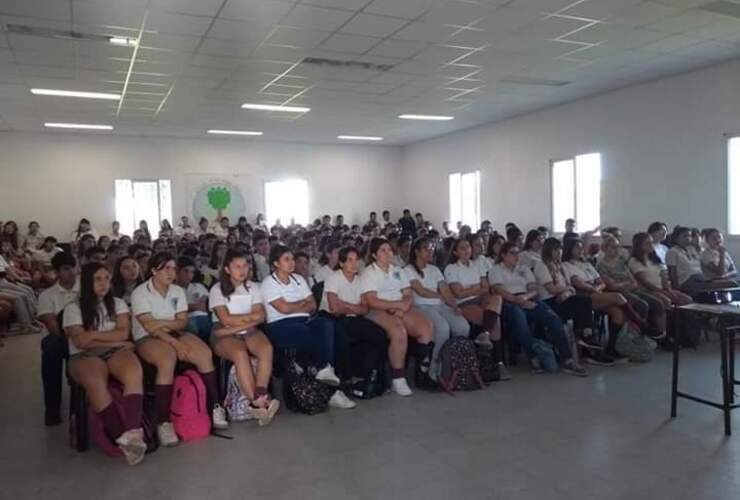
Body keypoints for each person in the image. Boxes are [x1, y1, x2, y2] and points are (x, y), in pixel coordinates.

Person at [131, 252, 228, 447]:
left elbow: (182, 322)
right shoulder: (140, 292)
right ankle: (164, 422)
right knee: (166, 359)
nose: (171, 272)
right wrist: (173, 339)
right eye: (165, 268)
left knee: (204, 354)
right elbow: (148, 327)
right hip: (147, 338)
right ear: (153, 271)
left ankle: (216, 406)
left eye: (173, 268)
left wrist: (162, 324)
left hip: (175, 333)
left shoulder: (177, 291)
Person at [63, 262, 147, 465]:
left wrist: (93, 335)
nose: (103, 284)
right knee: (95, 381)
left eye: (107, 279)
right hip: (84, 356)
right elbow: (81, 342)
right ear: (86, 282)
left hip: (113, 351)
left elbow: (123, 332)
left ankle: (133, 433)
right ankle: (123, 437)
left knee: (134, 371)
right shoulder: (73, 308)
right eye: (97, 279)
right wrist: (116, 340)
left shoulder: (117, 303)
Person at [490, 242, 586, 377]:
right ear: (503, 255)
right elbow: (499, 290)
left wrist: (526, 298)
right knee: (519, 318)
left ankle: (567, 359)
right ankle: (533, 355)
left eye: (518, 252)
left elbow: (534, 289)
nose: (516, 256)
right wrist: (519, 301)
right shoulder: (496, 269)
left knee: (553, 319)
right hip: (507, 302)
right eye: (512, 253)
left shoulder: (523, 268)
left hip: (528, 299)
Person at [209, 249, 280, 423]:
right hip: (224, 333)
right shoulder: (217, 290)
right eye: (237, 266)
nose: (242, 270)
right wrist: (249, 320)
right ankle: (257, 403)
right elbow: (224, 318)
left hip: (248, 330)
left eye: (245, 266)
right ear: (227, 269)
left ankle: (261, 394)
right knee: (240, 353)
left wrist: (241, 322)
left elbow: (260, 314)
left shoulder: (253, 287)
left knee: (266, 348)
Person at [260, 244, 342, 387]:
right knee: (307, 333)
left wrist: (295, 305)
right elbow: (283, 309)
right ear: (276, 263)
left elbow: (313, 305)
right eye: (286, 259)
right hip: (279, 325)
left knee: (326, 325)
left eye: (292, 259)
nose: (292, 262)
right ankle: (322, 367)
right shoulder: (269, 283)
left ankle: (326, 370)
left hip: (304, 320)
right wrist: (302, 303)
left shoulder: (298, 279)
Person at [361, 237, 435, 395]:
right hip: (378, 310)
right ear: (374, 255)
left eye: (389, 250)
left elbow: (408, 294)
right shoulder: (369, 273)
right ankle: (398, 378)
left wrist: (403, 307)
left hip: (400, 307)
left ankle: (422, 373)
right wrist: (395, 306)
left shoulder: (398, 271)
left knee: (426, 327)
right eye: (383, 250)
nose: (388, 253)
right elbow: (371, 300)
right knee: (398, 331)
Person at [319, 246, 388, 404]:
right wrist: (352, 307)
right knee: (342, 335)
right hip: (332, 318)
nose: (354, 263)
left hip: (353, 318)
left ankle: (373, 376)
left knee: (379, 334)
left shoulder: (359, 280)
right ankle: (343, 381)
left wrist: (347, 305)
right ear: (342, 263)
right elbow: (335, 308)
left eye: (356, 260)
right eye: (349, 260)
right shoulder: (334, 278)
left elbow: (364, 309)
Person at [405, 238, 470, 381]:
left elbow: (445, 290)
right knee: (442, 328)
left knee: (462, 326)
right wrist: (441, 296)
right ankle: (433, 367)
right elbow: (421, 291)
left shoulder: (434, 269)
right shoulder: (408, 270)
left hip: (440, 305)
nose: (430, 251)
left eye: (431, 248)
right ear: (416, 251)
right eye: (426, 249)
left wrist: (454, 305)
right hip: (421, 306)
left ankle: (453, 366)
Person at [562, 238, 637, 360]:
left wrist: (597, 287)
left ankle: (611, 348)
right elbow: (578, 283)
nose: (581, 250)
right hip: (583, 295)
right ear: (569, 249)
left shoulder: (586, 264)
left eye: (582, 247)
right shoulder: (566, 265)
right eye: (577, 247)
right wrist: (594, 288)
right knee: (618, 297)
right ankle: (641, 324)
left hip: (596, 292)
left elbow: (601, 282)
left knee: (618, 312)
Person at [533, 238, 604, 360]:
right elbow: (552, 289)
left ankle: (584, 337)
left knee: (583, 302)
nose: (558, 252)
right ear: (548, 250)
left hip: (562, 298)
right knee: (583, 302)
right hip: (548, 302)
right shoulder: (541, 265)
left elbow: (570, 287)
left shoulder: (560, 267)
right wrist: (566, 290)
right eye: (555, 249)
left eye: (560, 249)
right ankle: (585, 337)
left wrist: (566, 292)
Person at [597, 235, 667, 341]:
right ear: (604, 248)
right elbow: (612, 286)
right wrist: (626, 284)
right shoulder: (601, 266)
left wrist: (625, 284)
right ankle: (637, 337)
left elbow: (634, 281)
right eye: (612, 247)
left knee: (657, 303)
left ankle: (658, 336)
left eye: (617, 246)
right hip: (618, 293)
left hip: (632, 289)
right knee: (642, 305)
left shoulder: (621, 261)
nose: (616, 250)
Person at [37, 252, 79, 426]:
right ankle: (52, 408)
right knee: (52, 348)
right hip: (60, 337)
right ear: (57, 272)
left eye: (74, 268)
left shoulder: (87, 289)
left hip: (85, 334)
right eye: (66, 269)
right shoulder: (47, 295)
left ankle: (82, 403)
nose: (72, 273)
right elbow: (52, 326)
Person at [444, 238, 501, 352]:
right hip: (465, 303)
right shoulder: (451, 268)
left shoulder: (476, 265)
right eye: (462, 248)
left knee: (497, 298)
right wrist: (476, 287)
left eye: (468, 247)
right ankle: (498, 361)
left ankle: (485, 334)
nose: (466, 250)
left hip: (482, 298)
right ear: (455, 252)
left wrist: (469, 288)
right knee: (494, 321)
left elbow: (485, 287)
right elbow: (458, 293)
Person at [666, 226, 737, 296]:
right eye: (684, 236)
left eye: (690, 236)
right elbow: (672, 273)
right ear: (676, 238)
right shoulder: (673, 252)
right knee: (731, 284)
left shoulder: (691, 250)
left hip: (702, 279)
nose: (688, 238)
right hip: (687, 282)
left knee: (734, 283)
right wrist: (677, 290)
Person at [629, 232, 692, 307]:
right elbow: (645, 282)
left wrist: (669, 290)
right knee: (667, 301)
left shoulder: (655, 259)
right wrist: (662, 291)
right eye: (648, 243)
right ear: (639, 246)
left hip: (662, 288)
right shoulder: (634, 261)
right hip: (648, 290)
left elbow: (664, 276)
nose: (651, 245)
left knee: (688, 299)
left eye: (652, 243)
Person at [176, 256, 212, 343]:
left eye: (192, 272)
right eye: (186, 271)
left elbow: (204, 305)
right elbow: (176, 309)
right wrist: (195, 306)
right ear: (177, 272)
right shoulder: (172, 290)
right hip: (187, 320)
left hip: (204, 317)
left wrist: (188, 307)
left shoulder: (199, 286)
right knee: (191, 326)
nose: (189, 275)